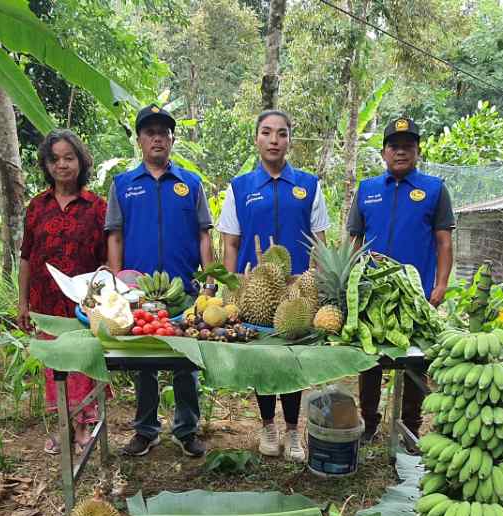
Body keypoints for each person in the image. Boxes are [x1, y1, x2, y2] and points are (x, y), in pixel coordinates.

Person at [218, 109, 330, 462]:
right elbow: (230, 243)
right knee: (263, 361)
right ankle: (268, 425)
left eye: (281, 134)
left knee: (293, 360)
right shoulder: (241, 187)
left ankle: (294, 430)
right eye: (267, 133)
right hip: (255, 289)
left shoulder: (309, 185)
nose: (274, 140)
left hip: (297, 290)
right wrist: (230, 288)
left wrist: (315, 282)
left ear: (290, 141)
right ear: (256, 138)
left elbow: (320, 241)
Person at [107, 105, 214, 458]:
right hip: (139, 292)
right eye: (149, 131)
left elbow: (203, 236)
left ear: (172, 139)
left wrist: (209, 281)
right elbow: (116, 236)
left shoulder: (190, 184)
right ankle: (146, 430)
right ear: (139, 139)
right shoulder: (123, 185)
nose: (157, 137)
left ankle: (186, 430)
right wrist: (117, 283)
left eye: (163, 132)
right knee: (144, 364)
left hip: (183, 289)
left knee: (187, 362)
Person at [346, 117, 454, 448]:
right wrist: (348, 282)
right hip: (371, 295)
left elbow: (444, 241)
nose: (401, 152)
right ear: (383, 152)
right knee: (371, 361)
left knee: (416, 362)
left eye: (408, 146)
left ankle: (410, 428)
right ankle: (369, 423)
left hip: (415, 295)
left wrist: (441, 284)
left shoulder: (435, 190)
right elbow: (354, 240)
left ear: (418, 151)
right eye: (394, 146)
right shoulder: (367, 190)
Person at [18, 129, 107, 455]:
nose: (62, 165)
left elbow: (107, 261)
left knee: (82, 364)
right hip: (46, 303)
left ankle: (83, 426)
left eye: (69, 158)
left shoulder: (97, 207)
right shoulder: (37, 207)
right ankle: (62, 426)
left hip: (84, 303)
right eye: (55, 159)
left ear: (80, 162)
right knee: (55, 365)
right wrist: (22, 303)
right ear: (46, 164)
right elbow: (26, 257)